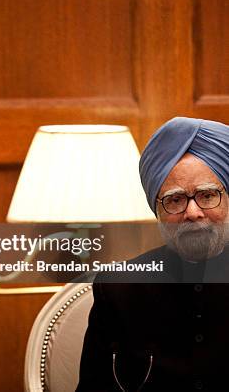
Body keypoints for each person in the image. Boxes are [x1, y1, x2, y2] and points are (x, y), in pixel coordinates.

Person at [76, 117, 229, 391]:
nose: (192, 213)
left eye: (207, 196)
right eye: (175, 199)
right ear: (157, 211)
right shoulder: (118, 287)